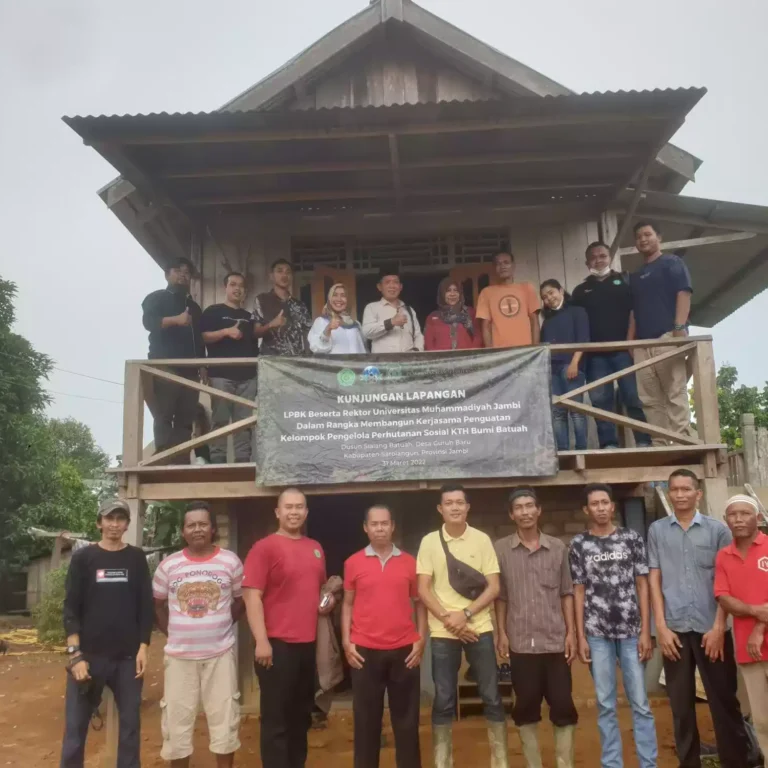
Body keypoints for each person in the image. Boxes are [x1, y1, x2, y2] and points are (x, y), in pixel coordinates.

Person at [648, 470, 761, 768]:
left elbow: (726, 582)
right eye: (675, 489)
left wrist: (717, 628)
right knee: (681, 705)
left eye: (687, 489)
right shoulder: (657, 531)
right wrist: (660, 626)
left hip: (713, 632)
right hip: (674, 631)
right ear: (669, 493)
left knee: (723, 701)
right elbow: (654, 579)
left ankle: (736, 761)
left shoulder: (717, 531)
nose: (681, 494)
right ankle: (689, 763)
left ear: (698, 494)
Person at [242, 488, 336, 768]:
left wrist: (327, 601)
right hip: (275, 647)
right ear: (278, 512)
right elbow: (251, 595)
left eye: (299, 507)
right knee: (276, 720)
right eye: (288, 507)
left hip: (307, 646)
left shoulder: (315, 548)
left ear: (306, 513)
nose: (294, 512)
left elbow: (316, 592)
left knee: (300, 717)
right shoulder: (264, 547)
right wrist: (261, 641)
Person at [416, 483, 507, 768]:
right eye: (449, 503)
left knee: (491, 695)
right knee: (443, 698)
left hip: (479, 627)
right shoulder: (429, 542)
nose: (455, 507)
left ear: (468, 507)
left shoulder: (481, 540)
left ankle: (500, 761)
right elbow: (423, 589)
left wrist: (464, 614)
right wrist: (450, 619)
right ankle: (443, 762)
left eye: (460, 502)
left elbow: (493, 588)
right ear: (440, 509)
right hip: (444, 632)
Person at [569, 483, 657, 768]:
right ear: (586, 509)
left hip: (631, 632)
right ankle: (612, 763)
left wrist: (646, 630)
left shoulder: (631, 539)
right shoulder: (579, 545)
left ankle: (648, 763)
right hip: (597, 634)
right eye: (595, 504)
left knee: (640, 703)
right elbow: (578, 591)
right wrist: (581, 636)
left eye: (605, 502)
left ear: (612, 506)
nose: (601, 508)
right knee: (605, 704)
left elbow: (642, 585)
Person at [60, 499, 153, 768]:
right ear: (99, 522)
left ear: (127, 524)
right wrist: (75, 656)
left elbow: (145, 606)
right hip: (88, 658)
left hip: (127, 660)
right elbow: (70, 609)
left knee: (130, 729)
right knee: (75, 731)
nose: (114, 524)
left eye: (120, 518)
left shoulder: (136, 558)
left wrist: (143, 648)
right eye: (109, 518)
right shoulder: (84, 558)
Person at [153, 501, 245, 768]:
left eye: (203, 524)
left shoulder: (230, 561)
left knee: (225, 722)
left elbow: (240, 601)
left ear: (213, 529)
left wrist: (223, 624)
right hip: (179, 659)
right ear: (183, 531)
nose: (197, 529)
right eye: (191, 525)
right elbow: (157, 604)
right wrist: (172, 632)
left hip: (220, 656)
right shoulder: (168, 565)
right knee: (176, 726)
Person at [495, 488, 578, 768]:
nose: (525, 512)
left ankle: (564, 763)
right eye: (519, 507)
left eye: (530, 506)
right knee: (526, 706)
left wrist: (572, 633)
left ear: (539, 510)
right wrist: (501, 633)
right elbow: (501, 596)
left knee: (563, 706)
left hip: (555, 641)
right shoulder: (502, 550)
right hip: (521, 643)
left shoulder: (557, 547)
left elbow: (567, 592)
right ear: (511, 514)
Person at [342, 504, 428, 768]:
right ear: (366, 528)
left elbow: (419, 603)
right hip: (364, 652)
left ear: (392, 526)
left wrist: (421, 638)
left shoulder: (410, 562)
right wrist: (346, 641)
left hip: (405, 650)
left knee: (407, 721)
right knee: (366, 721)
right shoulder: (352, 562)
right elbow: (347, 603)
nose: (380, 528)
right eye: (374, 524)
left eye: (385, 523)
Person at [572, 242, 652, 449]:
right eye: (594, 257)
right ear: (587, 262)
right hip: (595, 355)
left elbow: (635, 313)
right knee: (601, 401)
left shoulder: (625, 282)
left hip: (624, 351)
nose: (598, 260)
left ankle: (643, 440)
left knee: (632, 396)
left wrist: (630, 342)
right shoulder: (581, 291)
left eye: (602, 256)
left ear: (609, 258)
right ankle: (609, 443)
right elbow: (576, 324)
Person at [628, 221, 695, 445]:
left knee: (675, 391)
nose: (643, 239)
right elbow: (634, 311)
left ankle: (683, 440)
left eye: (648, 234)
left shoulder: (672, 262)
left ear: (659, 237)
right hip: (642, 343)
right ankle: (661, 443)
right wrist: (630, 341)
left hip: (668, 336)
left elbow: (683, 293)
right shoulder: (636, 276)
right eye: (639, 237)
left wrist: (678, 328)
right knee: (649, 398)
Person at [716, 495, 768, 759]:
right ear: (726, 521)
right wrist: (755, 610)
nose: (738, 519)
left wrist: (759, 628)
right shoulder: (724, 556)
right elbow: (724, 598)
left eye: (745, 513)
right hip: (749, 651)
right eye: (732, 514)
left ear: (758, 518)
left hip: (756, 640)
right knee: (762, 720)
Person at [141, 257, 203, 457]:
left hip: (191, 369)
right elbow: (149, 323)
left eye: (187, 272)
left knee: (186, 418)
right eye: (178, 270)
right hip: (165, 365)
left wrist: (203, 365)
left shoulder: (194, 307)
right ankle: (162, 459)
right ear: (167, 274)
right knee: (164, 414)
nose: (183, 275)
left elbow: (199, 339)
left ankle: (181, 460)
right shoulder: (156, 297)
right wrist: (176, 320)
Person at [200, 271, 258, 463]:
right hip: (221, 375)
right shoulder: (212, 311)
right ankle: (218, 462)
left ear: (245, 291)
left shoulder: (249, 317)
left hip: (248, 377)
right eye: (233, 284)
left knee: (244, 424)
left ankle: (243, 462)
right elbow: (203, 337)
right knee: (220, 421)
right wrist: (226, 332)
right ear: (225, 287)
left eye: (241, 286)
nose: (237, 289)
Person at [539, 279, 590, 451]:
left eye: (551, 293)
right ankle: (564, 452)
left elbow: (583, 339)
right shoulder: (547, 321)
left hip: (571, 366)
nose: (549, 298)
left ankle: (582, 450)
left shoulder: (577, 311)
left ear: (561, 290)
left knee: (576, 411)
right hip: (552, 371)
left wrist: (575, 363)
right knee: (558, 413)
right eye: (544, 297)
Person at [476, 251, 540, 349]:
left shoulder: (527, 288)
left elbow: (534, 321)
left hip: (526, 351)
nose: (502, 266)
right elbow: (485, 326)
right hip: (500, 353)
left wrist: (535, 350)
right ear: (494, 268)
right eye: (498, 264)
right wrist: (490, 353)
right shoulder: (486, 293)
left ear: (513, 266)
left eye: (506, 262)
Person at [252, 259, 312, 356]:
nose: (284, 275)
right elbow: (256, 333)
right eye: (279, 271)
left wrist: (308, 356)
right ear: (271, 276)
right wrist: (271, 324)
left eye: (288, 272)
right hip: (271, 361)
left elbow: (308, 333)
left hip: (296, 361)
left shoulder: (300, 305)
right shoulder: (262, 300)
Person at [362, 267, 424, 353]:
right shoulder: (372, 307)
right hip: (383, 363)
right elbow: (367, 332)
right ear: (379, 287)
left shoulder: (409, 310)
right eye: (387, 282)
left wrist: (416, 350)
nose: (392, 286)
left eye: (396, 282)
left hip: (408, 362)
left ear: (400, 286)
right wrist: (391, 322)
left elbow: (418, 335)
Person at [424, 278, 483, 351]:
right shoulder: (433, 317)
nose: (452, 294)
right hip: (442, 360)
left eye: (455, 290)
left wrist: (471, 355)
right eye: (448, 291)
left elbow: (478, 337)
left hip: (467, 359)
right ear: (442, 294)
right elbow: (429, 343)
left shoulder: (470, 313)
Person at [308, 283, 367, 354]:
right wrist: (328, 329)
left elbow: (362, 350)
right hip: (333, 365)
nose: (339, 299)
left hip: (354, 364)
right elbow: (316, 348)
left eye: (343, 295)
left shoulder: (355, 324)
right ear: (329, 299)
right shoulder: (321, 321)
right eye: (335, 295)